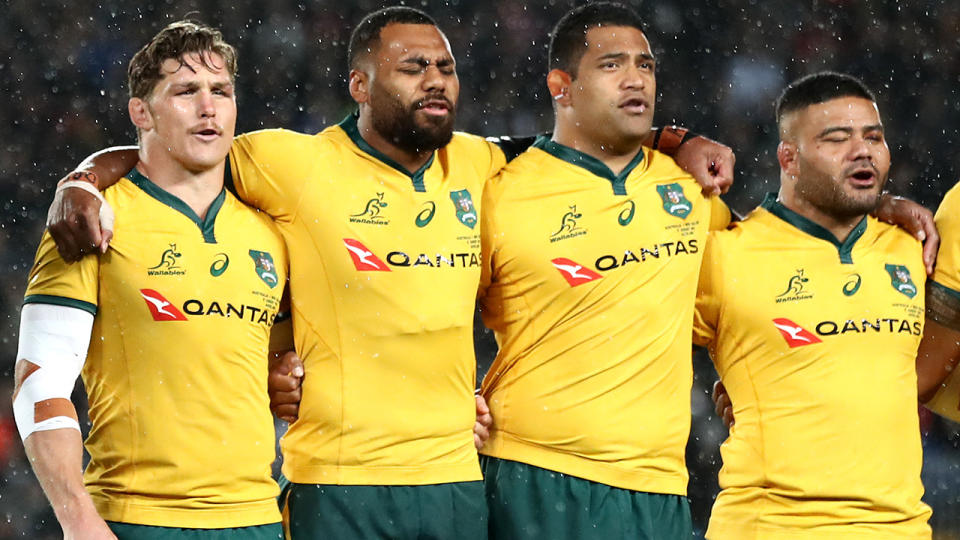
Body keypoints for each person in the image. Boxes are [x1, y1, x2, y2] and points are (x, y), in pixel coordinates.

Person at [40, 7, 740, 539]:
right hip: (339, 488)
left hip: (457, 482)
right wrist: (82, 178)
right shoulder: (292, 164)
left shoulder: (479, 164)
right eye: (412, 69)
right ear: (360, 84)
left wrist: (676, 137)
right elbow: (174, 153)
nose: (435, 81)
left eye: (445, 68)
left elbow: (577, 138)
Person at [13, 21, 287, 540]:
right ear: (142, 112)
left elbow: (282, 361)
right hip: (135, 521)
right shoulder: (90, 221)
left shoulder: (271, 232)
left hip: (257, 520)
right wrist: (78, 520)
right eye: (186, 91)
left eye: (221, 91)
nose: (208, 107)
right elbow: (38, 381)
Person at [474, 5, 730, 538]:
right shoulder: (499, 191)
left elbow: (763, 285)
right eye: (612, 65)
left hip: (661, 489)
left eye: (646, 65)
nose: (637, 78)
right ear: (561, 87)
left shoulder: (695, 190)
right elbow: (430, 300)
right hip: (535, 475)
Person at [694, 71, 934, 538]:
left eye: (873, 137)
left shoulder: (914, 248)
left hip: (902, 530)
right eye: (837, 139)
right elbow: (626, 335)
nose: (862, 150)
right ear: (789, 159)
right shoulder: (724, 254)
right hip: (770, 527)